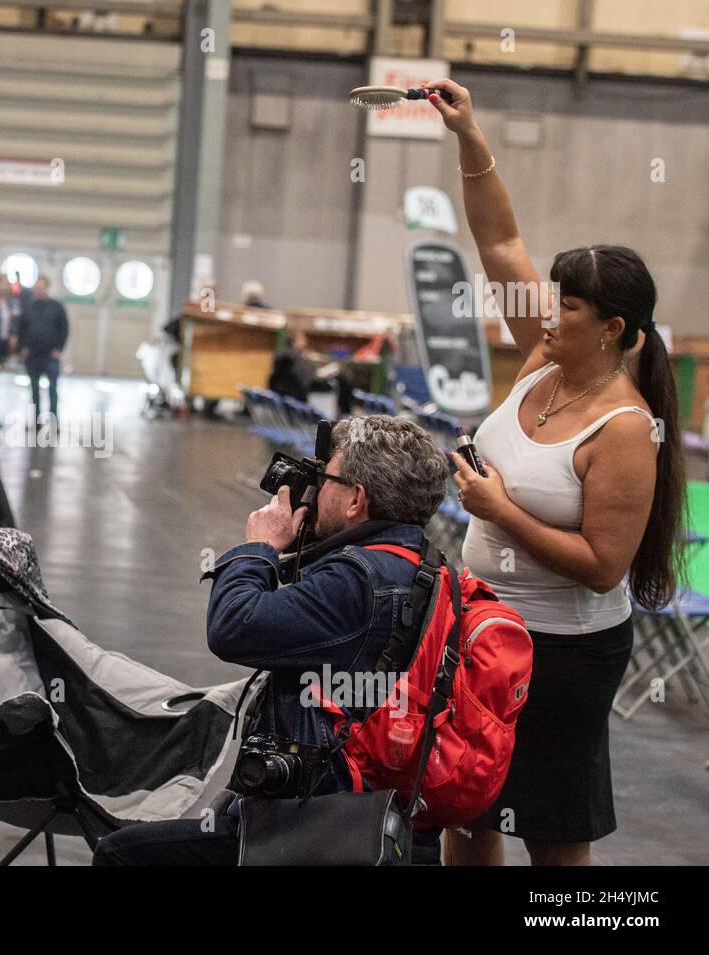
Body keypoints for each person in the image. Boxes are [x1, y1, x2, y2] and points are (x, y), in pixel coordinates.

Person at [427, 78, 686, 866]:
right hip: (482, 629)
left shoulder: (625, 429)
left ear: (610, 328)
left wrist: (499, 511)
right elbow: (501, 246)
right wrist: (470, 136)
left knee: (550, 829)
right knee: (466, 810)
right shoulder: (543, 359)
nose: (550, 308)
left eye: (568, 302)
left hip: (561, 656)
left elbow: (605, 567)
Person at [93, 415, 449, 865]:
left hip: (319, 824)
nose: (315, 491)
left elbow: (233, 626)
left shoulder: (357, 580)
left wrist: (259, 547)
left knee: (121, 855)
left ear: (357, 498)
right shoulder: (430, 568)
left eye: (327, 479)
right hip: (391, 816)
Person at [16, 276, 68, 423]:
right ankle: (36, 419)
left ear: (47, 288)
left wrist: (59, 349)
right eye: (37, 288)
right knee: (34, 389)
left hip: (50, 355)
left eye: (42, 287)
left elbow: (64, 329)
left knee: (52, 388)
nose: (39, 290)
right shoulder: (28, 307)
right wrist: (23, 347)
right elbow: (21, 329)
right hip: (32, 355)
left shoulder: (57, 307)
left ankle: (53, 418)